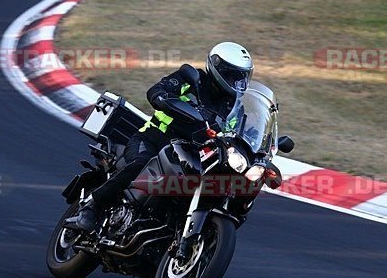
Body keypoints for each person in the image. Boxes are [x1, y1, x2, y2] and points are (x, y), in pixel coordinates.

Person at [69, 41, 254, 232]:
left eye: (242, 78)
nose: (238, 83)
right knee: (142, 162)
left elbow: (237, 133)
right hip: (154, 139)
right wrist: (164, 99)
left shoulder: (234, 106)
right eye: (233, 76)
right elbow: (156, 91)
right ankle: (92, 205)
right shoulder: (194, 80)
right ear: (218, 68)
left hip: (189, 155)